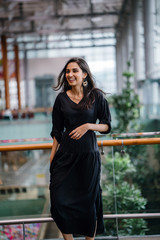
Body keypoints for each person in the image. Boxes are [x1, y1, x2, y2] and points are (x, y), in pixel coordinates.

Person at [50, 57, 111, 240]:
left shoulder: (96, 96)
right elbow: (57, 131)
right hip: (65, 158)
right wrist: (52, 156)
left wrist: (88, 126)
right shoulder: (61, 99)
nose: (70, 74)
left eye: (74, 71)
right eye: (67, 71)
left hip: (88, 158)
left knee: (88, 203)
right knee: (59, 202)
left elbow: (107, 126)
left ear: (84, 74)